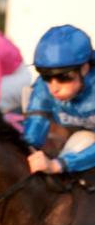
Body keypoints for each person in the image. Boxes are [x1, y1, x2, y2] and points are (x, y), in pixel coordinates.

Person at [22, 25, 95, 175]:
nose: (53, 88)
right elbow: (32, 135)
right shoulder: (43, 87)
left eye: (63, 77)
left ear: (85, 69)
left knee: (82, 140)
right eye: (46, 76)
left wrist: (59, 165)